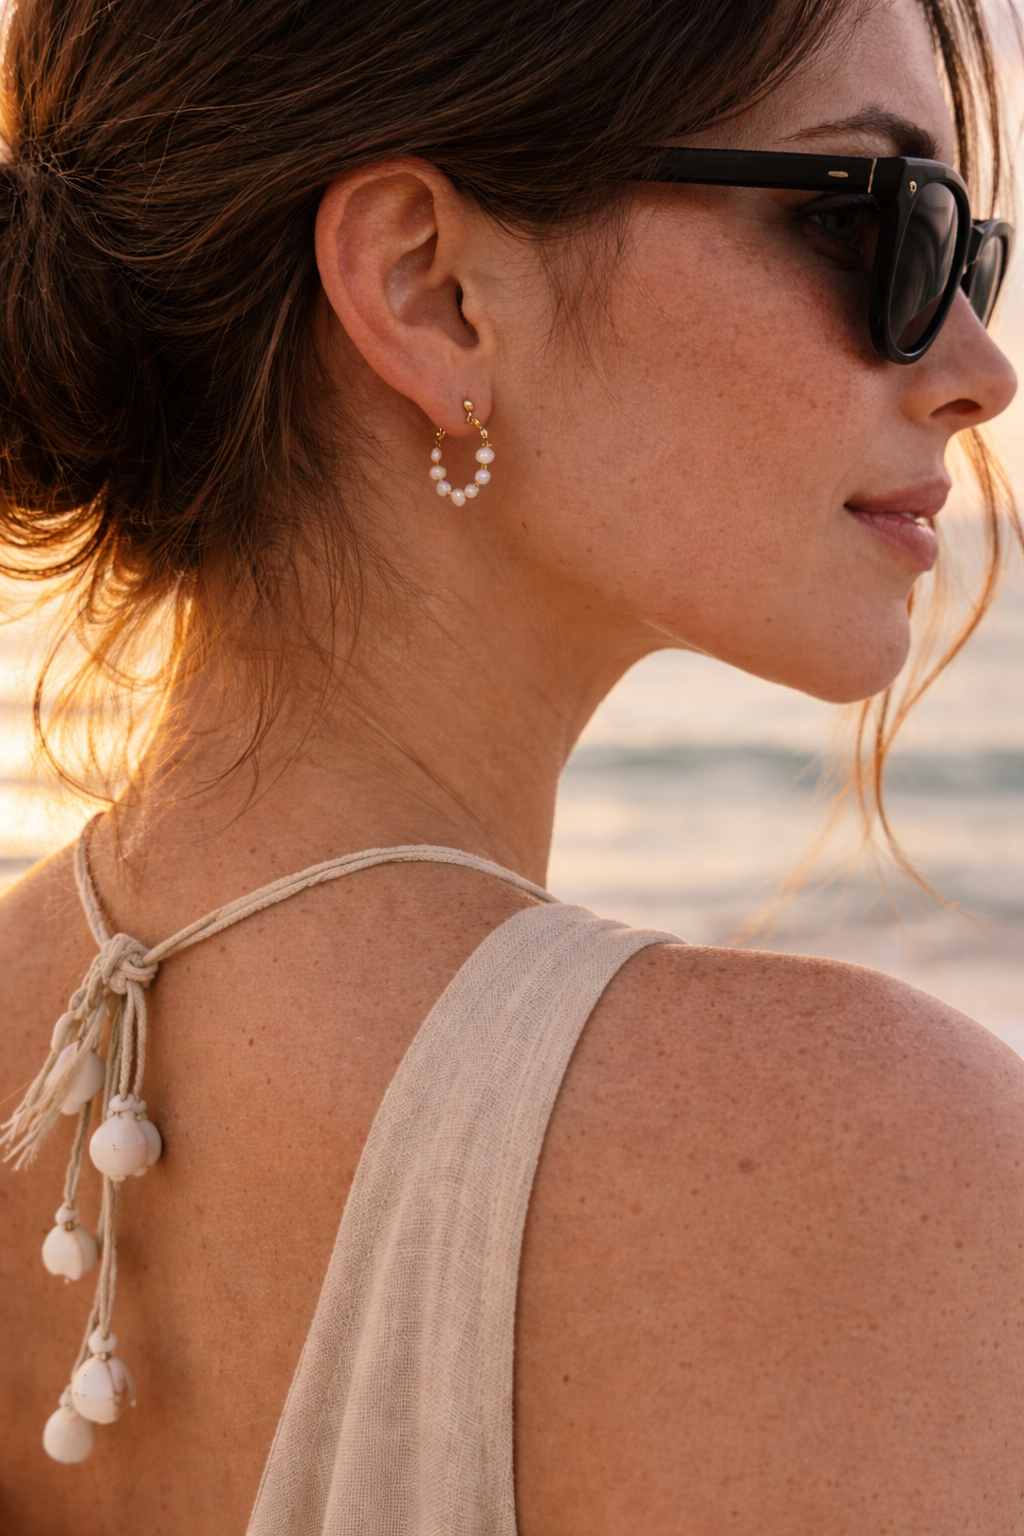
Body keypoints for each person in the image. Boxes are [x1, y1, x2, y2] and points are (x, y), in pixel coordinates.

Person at [1, 0, 1023, 1529]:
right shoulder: (861, 1164)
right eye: (870, 223)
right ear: (431, 289)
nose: (979, 368)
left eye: (968, 254)